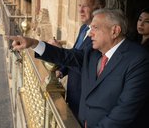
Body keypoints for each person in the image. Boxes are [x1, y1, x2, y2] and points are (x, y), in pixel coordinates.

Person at [8, 8, 149, 128]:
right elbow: (66, 55)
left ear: (115, 31)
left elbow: (125, 110)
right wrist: (33, 43)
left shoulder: (138, 59)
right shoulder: (92, 52)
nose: (90, 33)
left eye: (95, 28)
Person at [51, 0, 105, 118]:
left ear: (98, 8)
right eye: (79, 5)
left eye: (85, 6)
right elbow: (76, 53)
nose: (80, 10)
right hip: (72, 91)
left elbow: (85, 63)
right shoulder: (84, 28)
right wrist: (62, 71)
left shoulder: (101, 35)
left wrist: (59, 50)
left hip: (84, 96)